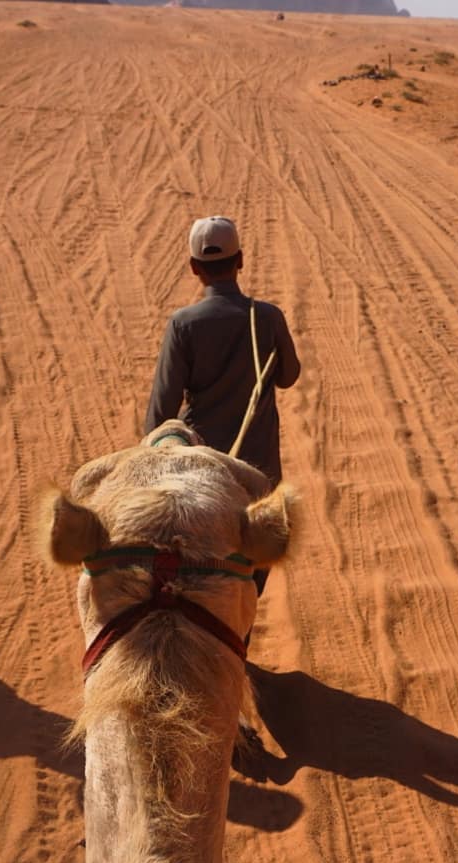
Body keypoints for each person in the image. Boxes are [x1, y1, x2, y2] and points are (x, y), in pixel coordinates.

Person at [145, 215, 300, 595]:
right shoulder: (266, 317)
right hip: (257, 460)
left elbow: (163, 405)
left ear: (194, 268)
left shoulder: (184, 323)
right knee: (254, 553)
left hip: (200, 461)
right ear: (241, 260)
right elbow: (288, 376)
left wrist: (151, 450)